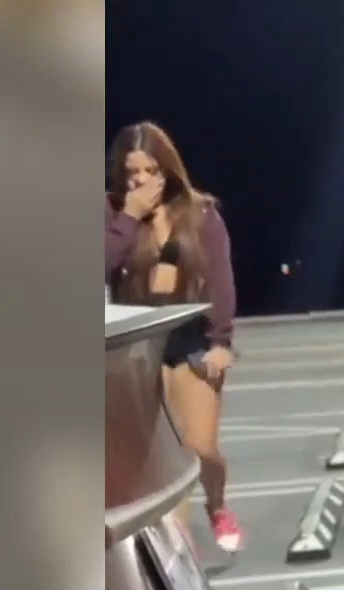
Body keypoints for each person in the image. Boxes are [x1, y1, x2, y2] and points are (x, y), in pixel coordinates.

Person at [105, 121, 243, 553]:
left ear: (167, 169)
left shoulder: (199, 212)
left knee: (201, 447)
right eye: (131, 172)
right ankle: (182, 550)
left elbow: (220, 279)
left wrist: (221, 342)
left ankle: (217, 505)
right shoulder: (112, 213)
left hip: (190, 336)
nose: (140, 181)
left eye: (150, 170)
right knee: (166, 458)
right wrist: (129, 217)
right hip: (140, 340)